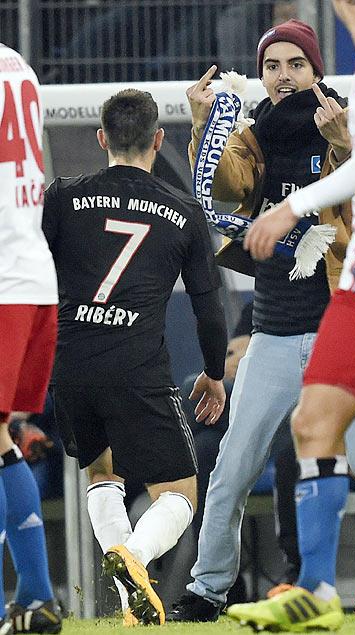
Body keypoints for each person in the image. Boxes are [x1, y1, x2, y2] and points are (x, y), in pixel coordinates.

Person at [167, 17, 355, 624]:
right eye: (273, 65)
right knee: (232, 467)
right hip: (271, 332)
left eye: (296, 63)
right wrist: (202, 125)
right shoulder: (252, 137)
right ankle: (208, 589)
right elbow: (223, 188)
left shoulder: (354, 122)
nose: (284, 75)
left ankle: (353, 583)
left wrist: (347, 143)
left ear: (317, 69)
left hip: (340, 328)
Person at [42, 89, 228, 626]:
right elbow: (209, 310)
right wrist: (214, 375)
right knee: (181, 494)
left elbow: (27, 273)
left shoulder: (62, 197)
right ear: (159, 139)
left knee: (101, 473)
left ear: (102, 139)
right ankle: (136, 557)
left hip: (71, 363)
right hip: (138, 368)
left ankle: (132, 606)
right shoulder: (184, 213)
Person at [0, 42, 62, 634]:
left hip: (2, 283)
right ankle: (36, 599)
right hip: (30, 276)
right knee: (2, 440)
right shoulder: (16, 62)